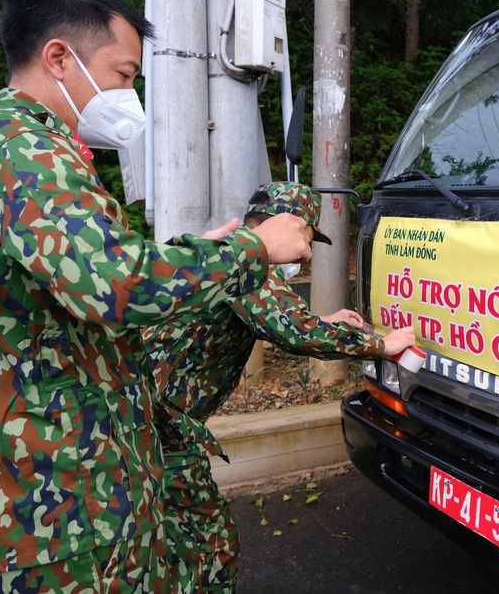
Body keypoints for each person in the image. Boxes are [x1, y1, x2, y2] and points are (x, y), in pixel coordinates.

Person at [0, 0, 313, 593]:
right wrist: (255, 247)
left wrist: (194, 251)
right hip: (63, 496)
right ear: (59, 57)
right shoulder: (28, 154)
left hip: (16, 483)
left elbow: (64, 276)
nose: (128, 93)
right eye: (124, 75)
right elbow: (115, 287)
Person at [142, 182, 416, 592]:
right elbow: (294, 333)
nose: (307, 252)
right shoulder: (248, 263)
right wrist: (383, 344)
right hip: (159, 426)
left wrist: (324, 323)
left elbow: (279, 320)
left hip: (146, 417)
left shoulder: (229, 253)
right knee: (208, 545)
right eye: (308, 237)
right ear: (290, 223)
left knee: (159, 533)